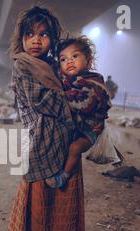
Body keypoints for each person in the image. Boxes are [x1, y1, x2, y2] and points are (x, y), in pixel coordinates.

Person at [1, 6, 85, 231]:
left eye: (44, 34)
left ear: (53, 38)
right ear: (21, 38)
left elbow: (79, 86)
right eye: (30, 34)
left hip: (65, 144)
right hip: (40, 145)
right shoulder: (23, 65)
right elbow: (43, 101)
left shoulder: (55, 65)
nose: (36, 40)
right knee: (32, 207)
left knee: (62, 208)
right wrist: (76, 106)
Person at [48, 36, 112, 188]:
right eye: (63, 59)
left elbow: (84, 105)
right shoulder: (65, 81)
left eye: (75, 56)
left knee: (74, 148)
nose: (69, 61)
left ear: (88, 60)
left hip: (90, 129)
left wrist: (60, 97)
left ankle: (64, 176)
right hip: (75, 126)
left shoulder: (94, 82)